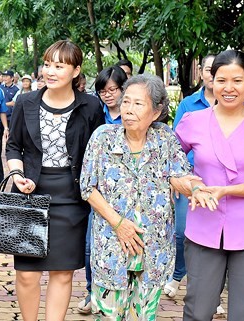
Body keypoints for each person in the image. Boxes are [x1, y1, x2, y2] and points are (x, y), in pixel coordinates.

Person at [176, 50, 244, 321]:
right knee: (197, 310)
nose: (229, 88)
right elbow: (171, 164)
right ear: (211, 81)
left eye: (237, 80)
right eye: (221, 80)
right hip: (203, 227)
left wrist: (226, 191)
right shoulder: (193, 122)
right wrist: (190, 186)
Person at [80, 74, 194, 320]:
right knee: (109, 315)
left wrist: (197, 188)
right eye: (126, 102)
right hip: (112, 243)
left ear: (156, 111)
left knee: (144, 316)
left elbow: (179, 175)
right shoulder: (103, 137)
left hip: (153, 247)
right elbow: (87, 187)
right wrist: (118, 223)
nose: (128, 110)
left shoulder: (164, 137)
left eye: (138, 104)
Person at [5, 40, 105, 321]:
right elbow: (13, 146)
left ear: (75, 71)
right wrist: (17, 174)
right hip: (29, 193)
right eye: (48, 64)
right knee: (26, 273)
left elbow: (97, 153)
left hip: (72, 197)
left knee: (62, 272)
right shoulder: (26, 102)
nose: (50, 71)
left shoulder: (91, 107)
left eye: (59, 66)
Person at [76, 64, 128, 314]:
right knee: (90, 246)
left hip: (126, 192)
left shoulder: (133, 116)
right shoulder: (96, 115)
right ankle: (92, 292)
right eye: (102, 91)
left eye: (113, 89)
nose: (108, 95)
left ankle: (124, 294)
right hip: (96, 190)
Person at [164, 54, 216, 299]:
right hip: (190, 179)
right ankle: (177, 274)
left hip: (221, 182)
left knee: (218, 239)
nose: (213, 75)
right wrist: (176, 177)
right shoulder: (188, 105)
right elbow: (176, 144)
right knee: (182, 232)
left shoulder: (233, 105)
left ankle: (212, 295)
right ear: (202, 74)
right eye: (208, 69)